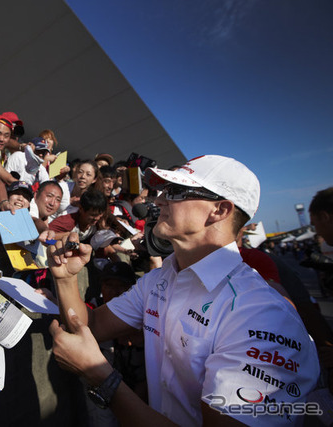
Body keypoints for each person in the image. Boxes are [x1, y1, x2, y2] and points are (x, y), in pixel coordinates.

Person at [47, 155, 319, 426]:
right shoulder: (161, 278)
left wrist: (104, 380)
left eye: (175, 191)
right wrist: (66, 278)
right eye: (163, 190)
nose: (159, 200)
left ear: (220, 210)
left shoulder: (262, 313)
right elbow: (90, 326)